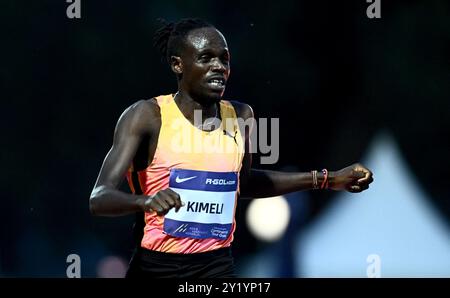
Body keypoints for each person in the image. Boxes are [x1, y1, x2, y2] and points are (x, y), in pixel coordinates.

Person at [89, 18, 374, 278]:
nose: (219, 67)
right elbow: (99, 198)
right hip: (156, 268)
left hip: (218, 267)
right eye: (206, 58)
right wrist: (145, 201)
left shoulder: (241, 116)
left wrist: (327, 178)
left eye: (224, 59)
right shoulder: (147, 116)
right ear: (178, 65)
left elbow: (244, 183)